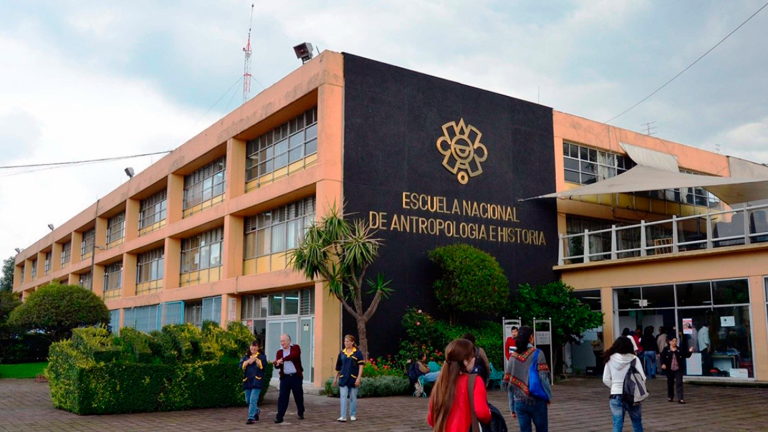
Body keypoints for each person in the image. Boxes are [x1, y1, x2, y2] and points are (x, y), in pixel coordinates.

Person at [427, 338, 491, 432]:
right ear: (465, 361)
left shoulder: (441, 383)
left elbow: (431, 419)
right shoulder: (475, 381)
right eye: (473, 356)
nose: (474, 359)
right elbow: (482, 413)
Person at [505, 326, 552, 432]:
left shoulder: (513, 357)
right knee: (542, 429)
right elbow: (544, 378)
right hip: (537, 400)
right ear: (531, 337)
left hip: (519, 401)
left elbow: (510, 383)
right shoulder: (538, 353)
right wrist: (548, 396)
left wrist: (512, 406)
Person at [603, 336, 645, 432]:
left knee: (617, 424)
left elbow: (605, 379)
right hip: (632, 396)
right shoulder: (634, 359)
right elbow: (642, 378)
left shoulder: (610, 359)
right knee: (637, 423)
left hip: (615, 395)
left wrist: (615, 387)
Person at [274, 333, 305, 424]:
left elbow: (294, 356)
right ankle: (279, 416)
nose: (282, 343)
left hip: (295, 377)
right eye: (281, 341)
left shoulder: (295, 348)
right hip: (285, 378)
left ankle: (300, 411)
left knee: (298, 396)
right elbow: (277, 366)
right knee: (282, 398)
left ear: (289, 341)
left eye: (284, 341)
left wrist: (282, 360)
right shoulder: (279, 352)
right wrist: (277, 363)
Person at [333, 335, 365, 422]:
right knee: (343, 396)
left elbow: (361, 366)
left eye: (348, 341)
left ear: (352, 342)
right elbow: (339, 367)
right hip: (343, 377)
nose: (346, 343)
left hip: (353, 378)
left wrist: (358, 378)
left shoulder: (358, 353)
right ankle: (343, 416)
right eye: (345, 341)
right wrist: (336, 378)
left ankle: (352, 414)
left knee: (353, 397)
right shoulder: (342, 353)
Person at [239, 339, 267, 424]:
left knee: (253, 400)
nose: (253, 348)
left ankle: (251, 418)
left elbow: (263, 365)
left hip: (257, 381)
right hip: (247, 381)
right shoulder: (245, 356)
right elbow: (241, 365)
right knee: (248, 400)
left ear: (258, 348)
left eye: (255, 346)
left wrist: (256, 360)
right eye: (252, 346)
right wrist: (247, 361)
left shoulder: (262, 356)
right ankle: (256, 411)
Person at [660, 334, 694, 403]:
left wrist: (690, 351)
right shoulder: (666, 349)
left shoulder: (679, 349)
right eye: (673, 341)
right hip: (669, 369)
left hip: (678, 369)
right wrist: (663, 364)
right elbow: (662, 357)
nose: (674, 342)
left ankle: (680, 398)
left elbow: (686, 355)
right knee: (670, 383)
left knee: (679, 383)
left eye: (675, 341)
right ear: (669, 342)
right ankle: (670, 396)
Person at [507, 326, 519, 419]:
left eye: (515, 331)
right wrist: (509, 358)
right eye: (512, 332)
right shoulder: (509, 340)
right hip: (511, 362)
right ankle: (512, 410)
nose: (514, 333)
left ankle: (516, 408)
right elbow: (506, 350)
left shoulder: (519, 341)